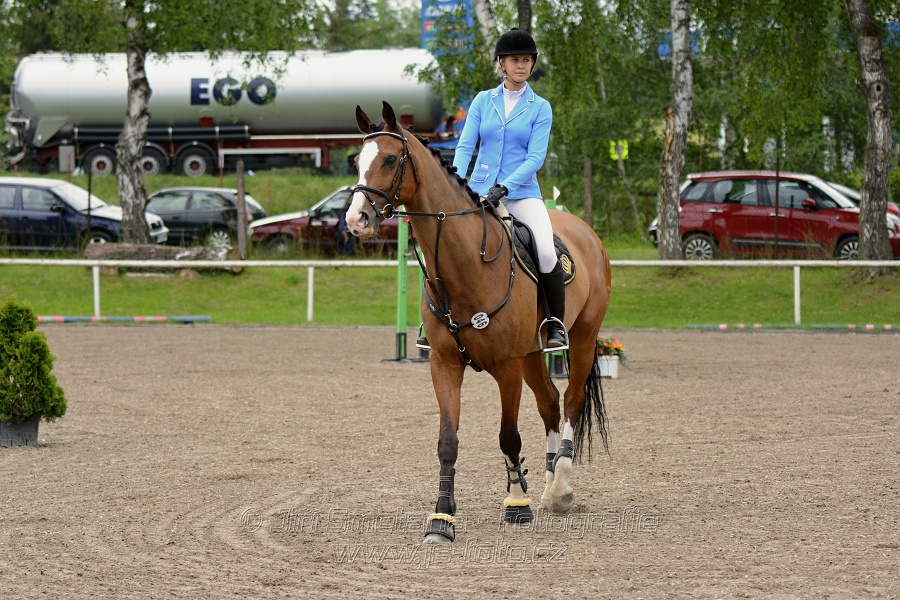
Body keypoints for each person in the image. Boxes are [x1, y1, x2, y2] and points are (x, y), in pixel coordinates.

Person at [450, 27, 566, 351]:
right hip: (477, 190)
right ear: (502, 63)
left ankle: (555, 323)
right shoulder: (482, 101)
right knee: (446, 242)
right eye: (515, 60)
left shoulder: (540, 107)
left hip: (522, 193)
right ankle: (436, 317)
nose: (522, 65)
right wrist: (458, 181)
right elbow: (465, 147)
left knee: (545, 248)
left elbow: (535, 157)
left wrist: (505, 186)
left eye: (527, 60)